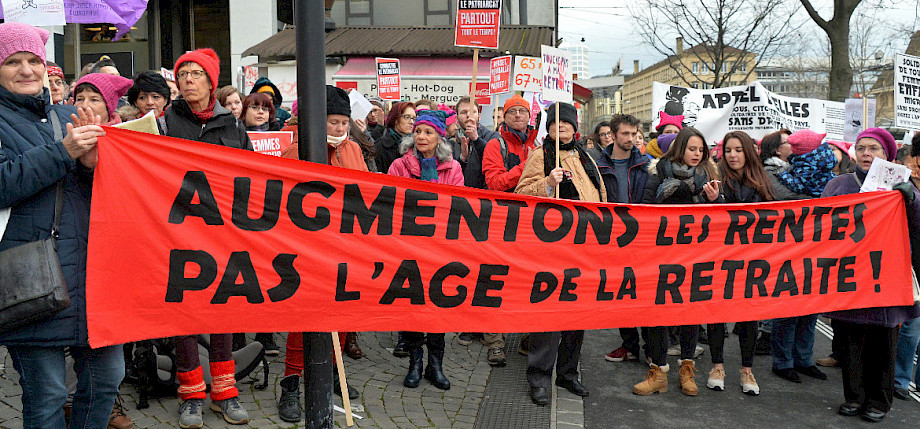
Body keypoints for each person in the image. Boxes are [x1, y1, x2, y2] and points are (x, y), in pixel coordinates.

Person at [0, 22, 123, 429]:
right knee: (47, 396)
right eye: (12, 61)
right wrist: (64, 152)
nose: (25, 70)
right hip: (29, 278)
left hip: (93, 276)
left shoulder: (68, 115)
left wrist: (91, 168)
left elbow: (95, 190)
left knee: (106, 381)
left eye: (33, 60)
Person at [164, 48, 252, 428]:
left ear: (211, 82)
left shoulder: (232, 126)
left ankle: (225, 392)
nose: (188, 80)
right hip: (175, 231)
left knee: (222, 310)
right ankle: (191, 395)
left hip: (221, 232)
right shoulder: (164, 122)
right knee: (182, 313)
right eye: (183, 74)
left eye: (197, 73)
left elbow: (252, 176)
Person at [276, 85, 368, 422]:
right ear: (318, 121)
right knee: (304, 319)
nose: (339, 129)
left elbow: (366, 190)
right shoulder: (296, 148)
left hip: (346, 246)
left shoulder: (353, 149)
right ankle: (291, 382)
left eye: (344, 122)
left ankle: (332, 370)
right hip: (307, 248)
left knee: (342, 313)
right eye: (332, 122)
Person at [823, 127, 920, 422]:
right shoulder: (839, 185)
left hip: (886, 275)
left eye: (874, 149)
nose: (866, 153)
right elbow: (820, 224)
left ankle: (879, 400)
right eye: (862, 147)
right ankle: (853, 396)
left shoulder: (904, 185)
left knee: (883, 342)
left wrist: (912, 201)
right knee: (851, 340)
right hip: (849, 276)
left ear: (887, 154)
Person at [515, 102, 604, 406]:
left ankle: (568, 374)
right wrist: (546, 183)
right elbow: (519, 195)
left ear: (573, 127)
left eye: (565, 123)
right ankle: (539, 377)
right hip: (550, 251)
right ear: (547, 128)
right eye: (555, 124)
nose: (560, 127)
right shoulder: (539, 156)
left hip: (584, 250)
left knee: (577, 316)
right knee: (548, 317)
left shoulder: (585, 157)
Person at [634, 127, 721, 397]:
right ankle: (658, 371)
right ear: (680, 148)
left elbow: (722, 217)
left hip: (696, 256)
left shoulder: (709, 176)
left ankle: (687, 370)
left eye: (700, 150)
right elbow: (645, 209)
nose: (697, 154)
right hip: (662, 255)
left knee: (690, 314)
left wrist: (715, 201)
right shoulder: (658, 172)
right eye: (692, 149)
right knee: (657, 313)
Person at [387, 108, 462, 391]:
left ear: (439, 138)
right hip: (409, 247)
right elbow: (392, 204)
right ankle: (415, 363)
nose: (421, 136)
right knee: (412, 306)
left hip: (441, 248)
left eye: (428, 132)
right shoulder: (399, 166)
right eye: (418, 130)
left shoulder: (453, 168)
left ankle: (436, 364)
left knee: (438, 307)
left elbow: (459, 208)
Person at [707, 131, 773, 396]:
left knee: (749, 317)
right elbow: (712, 219)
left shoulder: (764, 182)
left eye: (738, 150)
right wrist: (714, 200)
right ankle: (717, 366)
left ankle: (747, 369)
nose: (732, 155)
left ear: (748, 152)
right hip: (719, 259)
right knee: (716, 314)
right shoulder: (715, 178)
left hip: (752, 261)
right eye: (728, 150)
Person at [595, 114, 650, 364]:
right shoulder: (596, 164)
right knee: (621, 294)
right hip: (611, 238)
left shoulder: (647, 164)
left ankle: (653, 348)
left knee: (646, 296)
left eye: (633, 134)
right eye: (625, 134)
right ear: (613, 135)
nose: (630, 139)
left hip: (642, 238)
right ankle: (629, 345)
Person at [483, 94, 539, 192]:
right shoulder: (495, 145)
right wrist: (527, 165)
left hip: (532, 206)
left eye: (522, 110)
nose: (517, 115)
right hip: (504, 206)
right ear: (505, 117)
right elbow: (494, 184)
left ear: (529, 116)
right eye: (512, 111)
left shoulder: (537, 146)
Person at [454, 95, 500, 188]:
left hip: (484, 196)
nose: (468, 115)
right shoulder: (451, 142)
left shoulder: (492, 137)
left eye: (473, 112)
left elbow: (494, 161)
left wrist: (476, 140)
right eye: (463, 112)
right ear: (456, 118)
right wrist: (462, 159)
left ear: (479, 116)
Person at [375, 101, 415, 173]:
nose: (411, 122)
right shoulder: (379, 147)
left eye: (413, 118)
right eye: (407, 117)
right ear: (396, 120)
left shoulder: (416, 146)